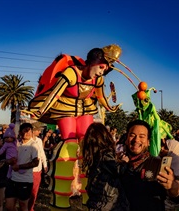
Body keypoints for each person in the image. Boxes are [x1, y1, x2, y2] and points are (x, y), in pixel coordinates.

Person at [26, 45, 122, 208]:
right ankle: (61, 197)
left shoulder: (98, 79)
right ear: (93, 62)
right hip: (65, 107)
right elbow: (54, 93)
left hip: (85, 108)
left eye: (105, 69)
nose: (102, 72)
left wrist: (110, 107)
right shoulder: (70, 73)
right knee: (69, 144)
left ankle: (88, 194)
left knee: (88, 145)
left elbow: (100, 97)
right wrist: (39, 110)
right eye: (101, 67)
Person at [121, 120, 179, 211]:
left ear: (148, 142)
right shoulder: (118, 165)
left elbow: (177, 193)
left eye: (142, 136)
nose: (136, 140)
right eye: (132, 135)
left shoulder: (158, 164)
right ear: (126, 139)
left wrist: (172, 185)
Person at [81, 122, 129, 210]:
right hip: (107, 203)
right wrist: (124, 162)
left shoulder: (94, 155)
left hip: (96, 200)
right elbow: (118, 170)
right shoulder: (105, 153)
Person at [4, 123, 39, 211]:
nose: (28, 133)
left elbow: (35, 162)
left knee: (23, 206)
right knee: (9, 206)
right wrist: (8, 161)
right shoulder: (15, 143)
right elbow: (8, 156)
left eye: (30, 131)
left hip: (25, 181)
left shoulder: (33, 145)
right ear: (20, 132)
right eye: (25, 131)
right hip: (12, 179)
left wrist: (19, 167)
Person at [28, 122, 48, 211]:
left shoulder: (39, 140)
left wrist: (45, 165)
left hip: (37, 170)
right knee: (27, 191)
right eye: (38, 130)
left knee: (34, 191)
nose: (40, 132)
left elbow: (42, 153)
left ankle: (31, 208)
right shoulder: (26, 141)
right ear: (33, 130)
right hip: (28, 170)